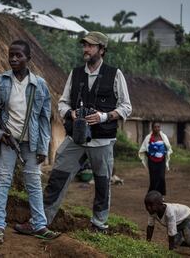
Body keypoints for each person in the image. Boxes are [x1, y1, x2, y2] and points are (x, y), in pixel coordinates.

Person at [42, 31, 132, 233]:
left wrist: (104, 116)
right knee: (57, 177)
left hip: (102, 141)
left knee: (102, 184)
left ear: (102, 50)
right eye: (84, 45)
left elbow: (127, 107)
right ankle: (41, 221)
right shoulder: (75, 73)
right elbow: (62, 102)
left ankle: (99, 225)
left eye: (91, 46)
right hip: (76, 138)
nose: (86, 49)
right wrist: (70, 113)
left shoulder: (115, 74)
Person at [0, 40, 59, 244]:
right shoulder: (1, 81)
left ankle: (39, 225)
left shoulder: (39, 84)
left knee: (34, 183)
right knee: (2, 180)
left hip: (31, 144)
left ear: (28, 59)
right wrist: (0, 133)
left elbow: (45, 118)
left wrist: (44, 146)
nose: (14, 59)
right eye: (11, 55)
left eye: (19, 55)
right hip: (8, 142)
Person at [145, 190, 190, 257]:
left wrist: (170, 252)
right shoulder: (152, 212)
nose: (148, 208)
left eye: (151, 205)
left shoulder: (169, 213)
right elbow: (150, 227)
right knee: (177, 242)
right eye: (146, 205)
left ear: (160, 204)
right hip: (177, 222)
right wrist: (147, 244)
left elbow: (171, 233)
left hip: (185, 217)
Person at [138, 122, 172, 196]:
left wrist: (162, 152)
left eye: (158, 127)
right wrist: (151, 154)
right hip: (152, 161)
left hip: (161, 161)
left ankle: (161, 195)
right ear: (152, 128)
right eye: (155, 127)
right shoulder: (148, 138)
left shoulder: (163, 137)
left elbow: (168, 147)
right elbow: (144, 149)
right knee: (153, 179)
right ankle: (152, 194)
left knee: (161, 178)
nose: (157, 129)